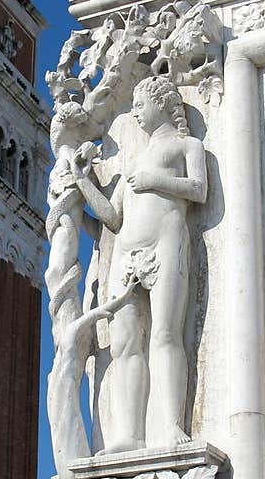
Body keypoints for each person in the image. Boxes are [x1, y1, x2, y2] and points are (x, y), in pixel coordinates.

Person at [72, 75, 206, 452]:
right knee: (124, 345)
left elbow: (198, 189)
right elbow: (112, 219)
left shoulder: (187, 146)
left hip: (166, 247)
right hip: (127, 255)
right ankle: (129, 434)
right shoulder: (135, 161)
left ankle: (172, 427)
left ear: (161, 103)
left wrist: (154, 182)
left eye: (139, 103)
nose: (134, 111)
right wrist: (82, 183)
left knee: (165, 334)